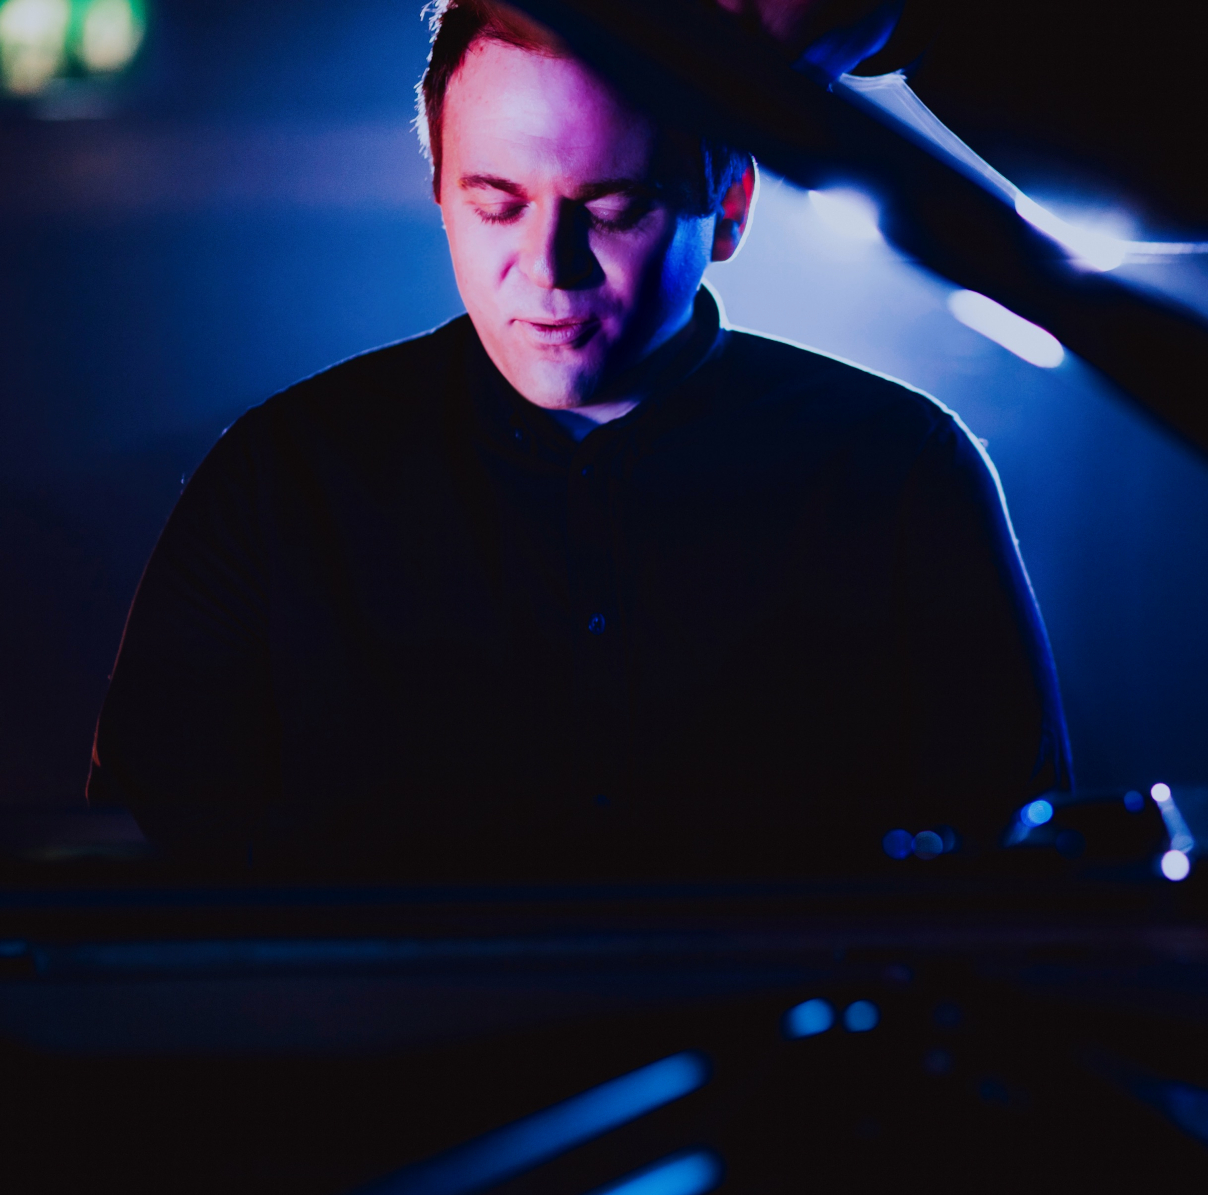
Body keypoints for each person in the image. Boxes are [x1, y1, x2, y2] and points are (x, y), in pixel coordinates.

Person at [86, 0, 1069, 879]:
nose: (547, 269)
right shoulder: (281, 481)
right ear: (438, 191)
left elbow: (1015, 874)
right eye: (495, 204)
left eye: (611, 206)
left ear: (728, 205)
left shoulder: (898, 474)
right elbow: (136, 876)